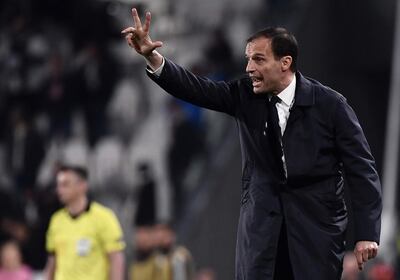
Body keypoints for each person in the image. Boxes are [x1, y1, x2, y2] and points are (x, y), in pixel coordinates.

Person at [121, 8, 382, 280]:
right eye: (248, 60)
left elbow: (361, 170)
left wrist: (366, 234)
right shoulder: (245, 95)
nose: (249, 69)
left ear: (285, 62)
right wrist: (152, 56)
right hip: (262, 234)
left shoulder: (330, 105)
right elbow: (196, 89)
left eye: (258, 59)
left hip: (314, 234)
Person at [44, 165, 125, 280]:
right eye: (58, 185)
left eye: (65, 184)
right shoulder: (56, 220)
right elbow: (52, 262)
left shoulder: (104, 217)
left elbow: (116, 259)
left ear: (82, 186)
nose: (59, 190)